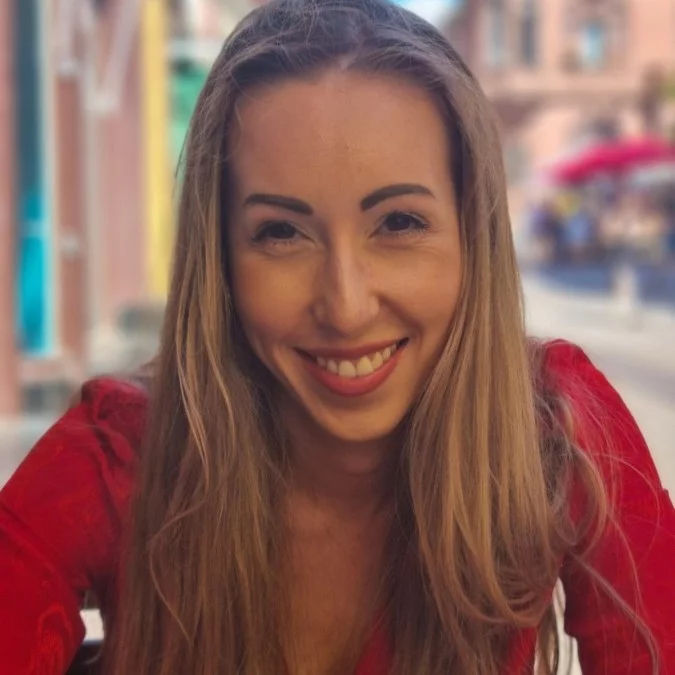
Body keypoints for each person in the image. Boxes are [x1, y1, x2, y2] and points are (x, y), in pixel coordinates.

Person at [1, 0, 674, 673]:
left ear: (473, 235)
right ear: (220, 261)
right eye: (281, 233)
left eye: (399, 222)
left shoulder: (556, 432)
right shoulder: (123, 455)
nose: (346, 308)